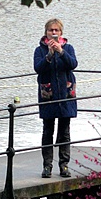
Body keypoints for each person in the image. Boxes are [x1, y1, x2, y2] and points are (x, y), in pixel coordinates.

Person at [33, 18, 78, 178]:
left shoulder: (68, 48)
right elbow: (38, 68)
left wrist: (61, 52)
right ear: (46, 32)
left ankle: (64, 165)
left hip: (66, 94)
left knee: (64, 131)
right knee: (47, 131)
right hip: (48, 95)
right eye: (51, 30)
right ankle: (47, 166)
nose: (53, 33)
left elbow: (73, 64)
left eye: (56, 30)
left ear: (61, 33)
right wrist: (49, 56)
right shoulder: (40, 50)